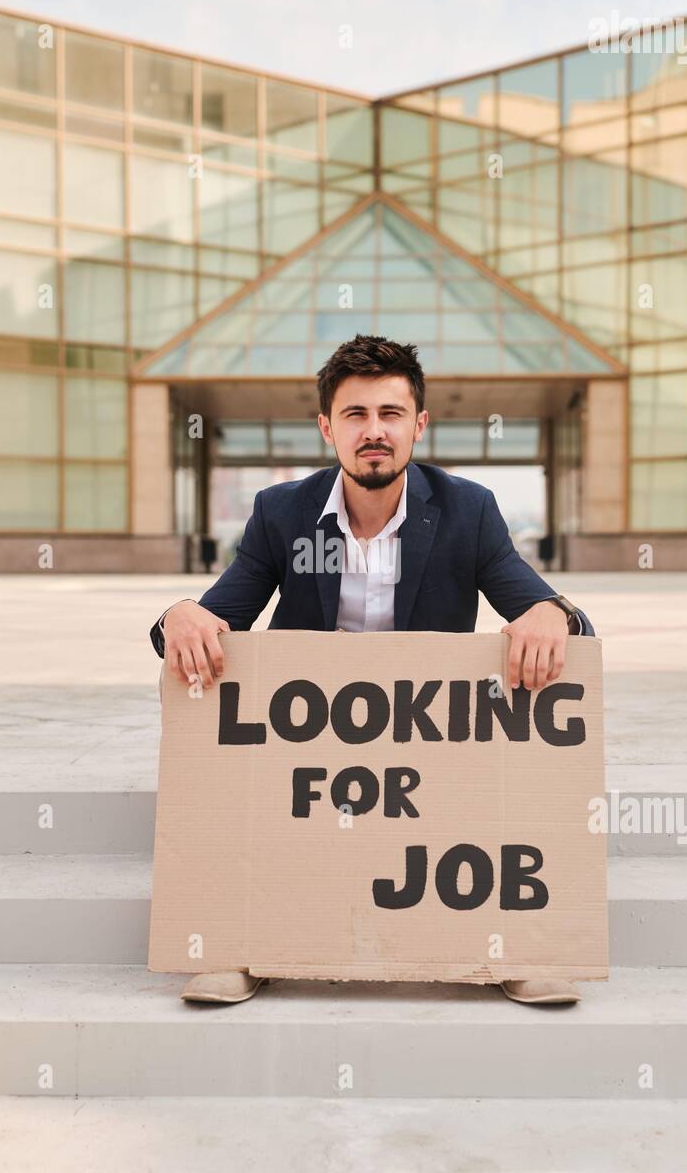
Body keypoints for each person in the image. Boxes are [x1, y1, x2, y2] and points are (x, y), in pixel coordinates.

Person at [150, 334, 595, 1008]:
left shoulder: (466, 511)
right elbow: (212, 619)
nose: (374, 432)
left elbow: (562, 618)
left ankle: (515, 943)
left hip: (426, 754)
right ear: (328, 427)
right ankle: (240, 943)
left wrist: (551, 614)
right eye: (356, 415)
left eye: (391, 414)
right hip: (308, 753)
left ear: (419, 424)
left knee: (510, 754)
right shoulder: (283, 514)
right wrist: (178, 614)